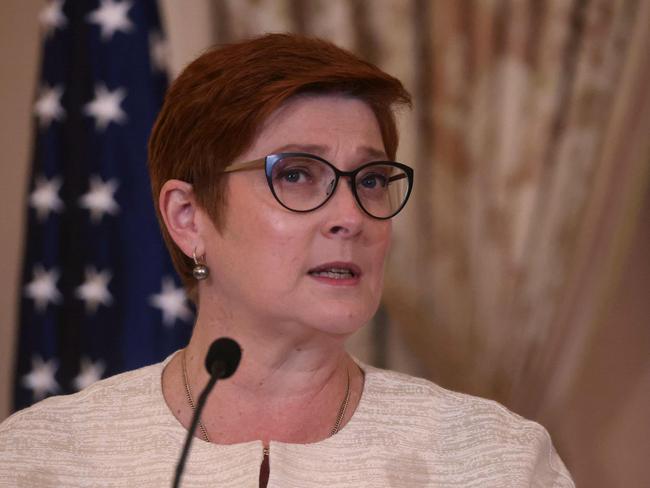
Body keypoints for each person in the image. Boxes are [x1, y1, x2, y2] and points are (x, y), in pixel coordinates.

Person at [0, 33, 574, 487]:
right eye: (297, 174)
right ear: (188, 217)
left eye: (372, 179)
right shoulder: (42, 460)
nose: (350, 215)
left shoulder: (496, 461)